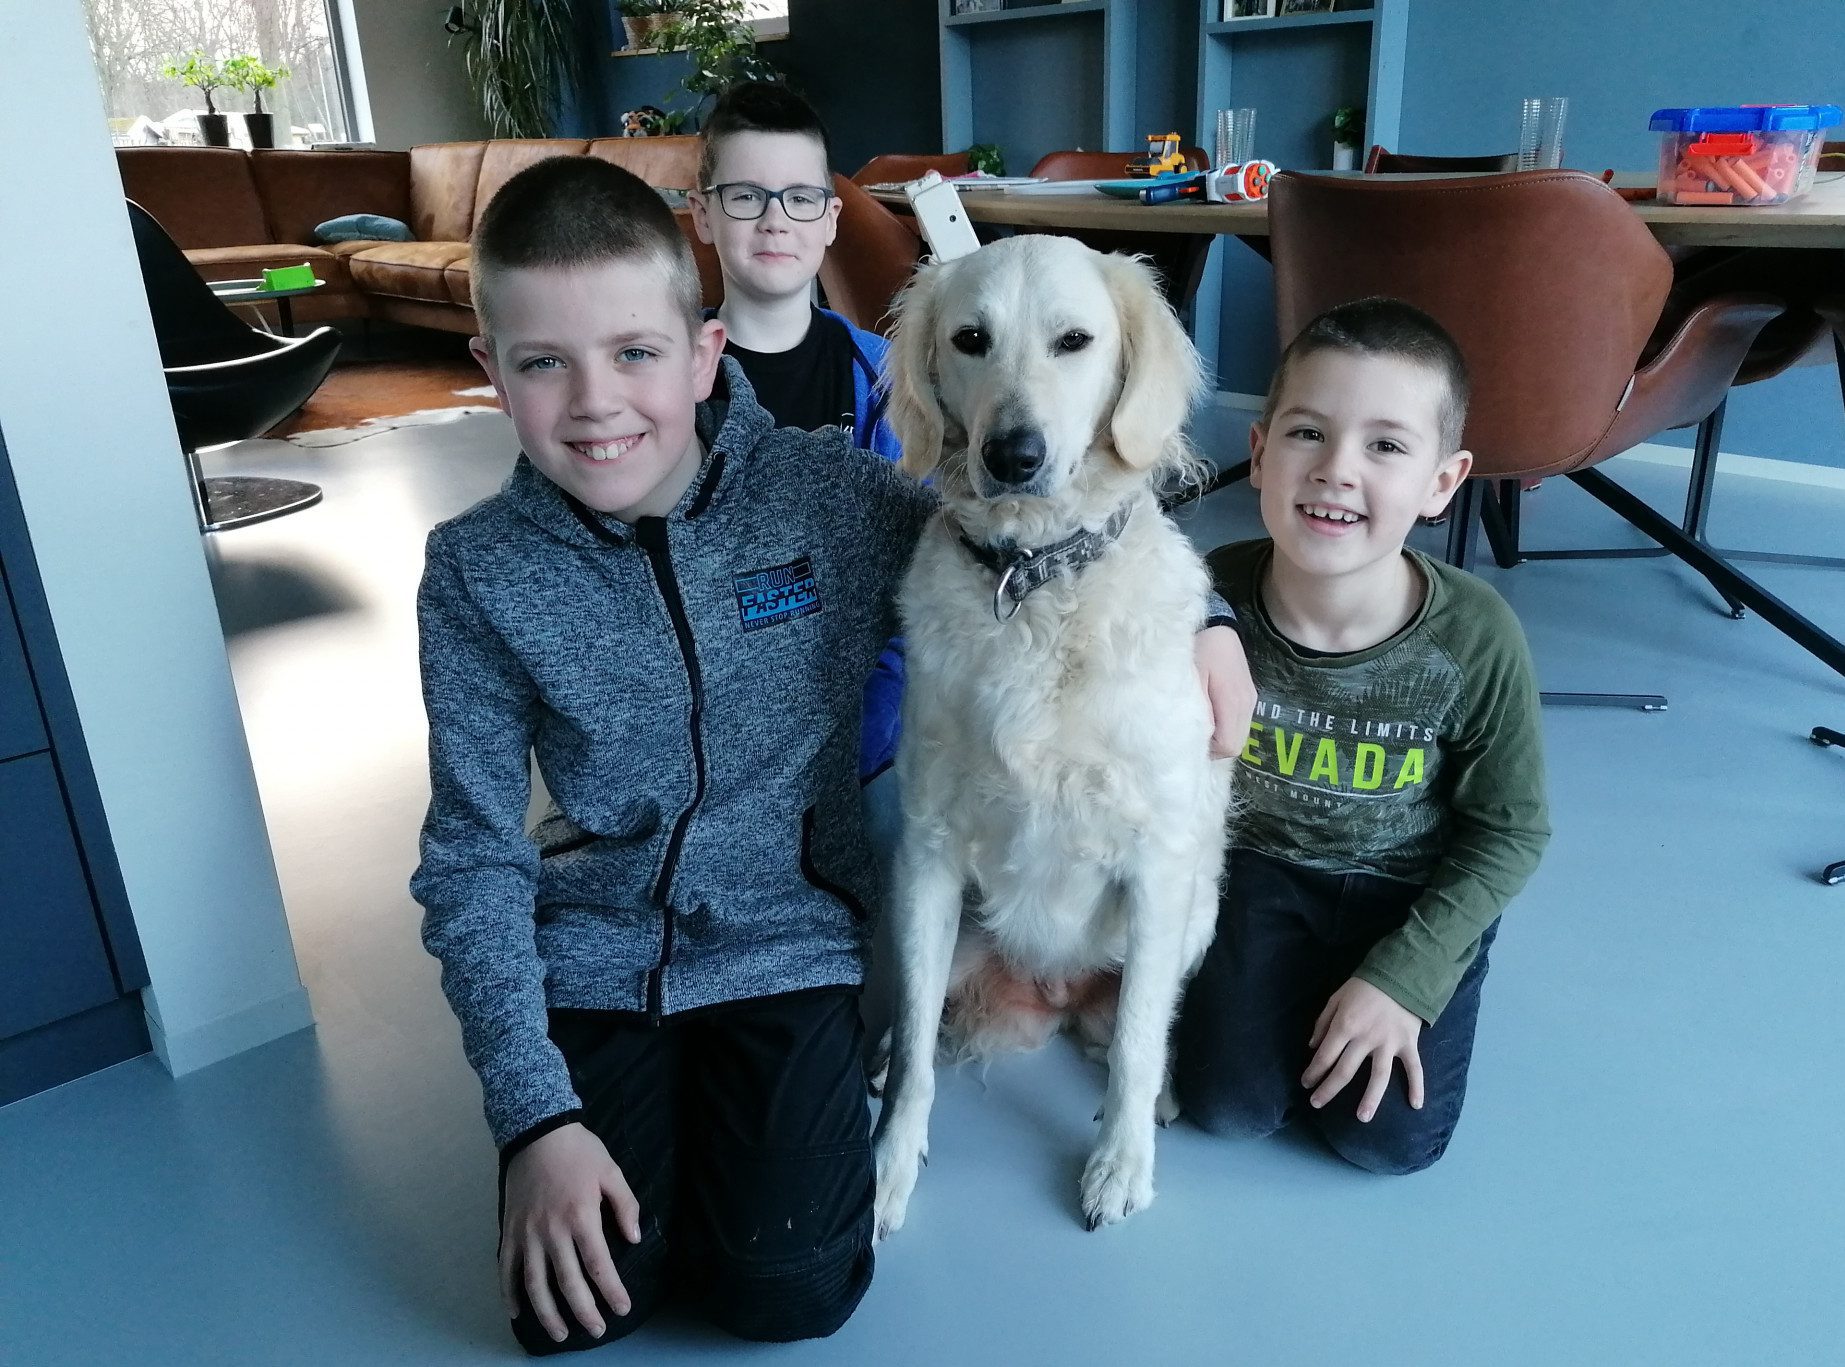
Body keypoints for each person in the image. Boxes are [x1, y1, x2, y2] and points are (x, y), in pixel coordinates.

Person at [411, 154, 1255, 1354]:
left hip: (786, 938)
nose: (597, 402)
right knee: (577, 1315)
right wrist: (532, 1117)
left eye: (636, 352)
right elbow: (472, 861)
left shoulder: (820, 498)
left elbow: (1030, 540)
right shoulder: (477, 574)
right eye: (544, 362)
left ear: (704, 352)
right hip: (599, 950)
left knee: (790, 1285)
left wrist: (1209, 615)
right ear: (491, 371)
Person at [1174, 297, 1551, 1176]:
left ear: (1441, 483)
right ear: (1258, 452)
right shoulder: (1203, 594)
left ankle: (1415, 972)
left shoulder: (1476, 636)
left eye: (1384, 445)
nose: (1336, 470)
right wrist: (1197, 615)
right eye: (1307, 433)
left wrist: (1403, 978)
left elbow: (1511, 830)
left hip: (1403, 886)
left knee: (1383, 1143)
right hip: (1258, 874)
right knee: (1225, 1108)